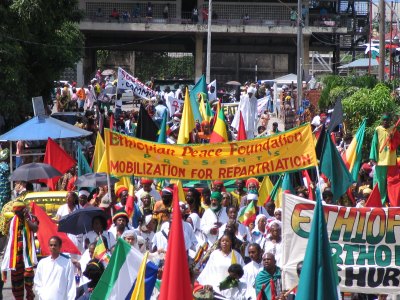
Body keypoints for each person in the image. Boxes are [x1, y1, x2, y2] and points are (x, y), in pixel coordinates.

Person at [1, 201, 38, 300]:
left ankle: (30, 297)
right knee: (17, 286)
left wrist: (26, 218)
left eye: (19, 212)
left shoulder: (32, 218)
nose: (17, 214)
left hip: (28, 257)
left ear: (24, 210)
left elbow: (35, 229)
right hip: (16, 258)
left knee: (29, 282)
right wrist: (5, 258)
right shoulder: (12, 221)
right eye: (15, 212)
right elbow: (9, 241)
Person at [369, 113, 400, 206]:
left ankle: (394, 204)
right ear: (381, 120)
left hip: (391, 161)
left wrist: (392, 138)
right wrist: (372, 157)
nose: (386, 121)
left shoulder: (393, 129)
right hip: (381, 161)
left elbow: (398, 141)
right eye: (384, 120)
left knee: (393, 184)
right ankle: (380, 204)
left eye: (387, 120)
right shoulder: (378, 130)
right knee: (380, 184)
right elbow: (374, 144)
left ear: (390, 121)